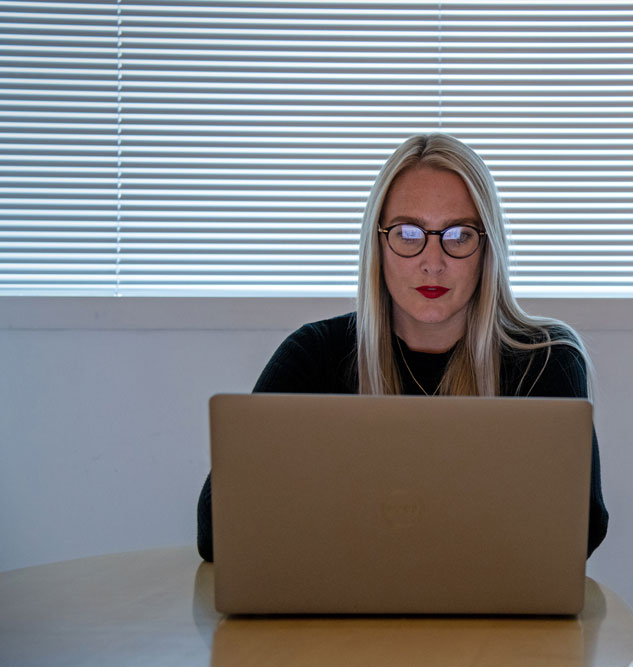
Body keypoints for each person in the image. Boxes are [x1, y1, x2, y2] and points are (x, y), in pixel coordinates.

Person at [197, 133, 609, 560]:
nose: (433, 260)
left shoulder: (545, 360)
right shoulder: (313, 355)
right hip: (341, 615)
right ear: (378, 243)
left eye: (459, 234)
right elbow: (216, 531)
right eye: (408, 233)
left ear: (488, 247)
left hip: (493, 619)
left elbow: (579, 533)